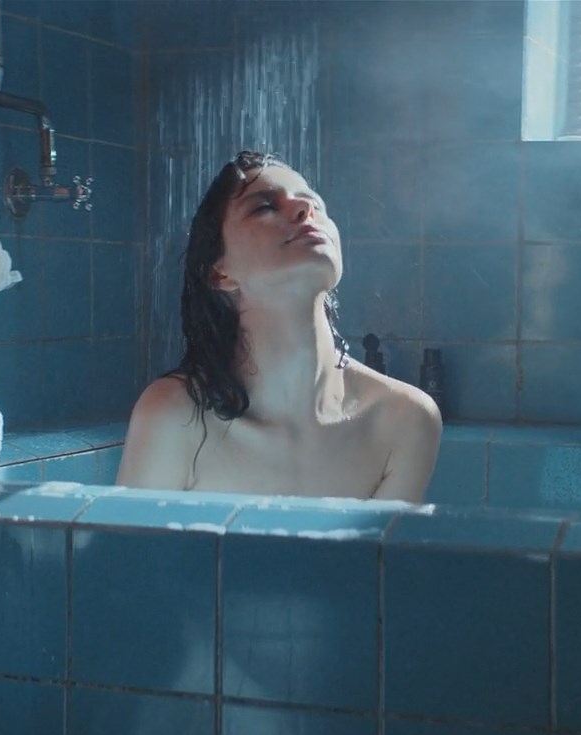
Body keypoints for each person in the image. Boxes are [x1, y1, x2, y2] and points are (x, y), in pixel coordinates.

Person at [116, 151, 442, 501]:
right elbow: (123, 540)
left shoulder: (405, 420)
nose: (306, 210)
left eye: (315, 204)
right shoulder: (175, 415)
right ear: (219, 273)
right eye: (264, 207)